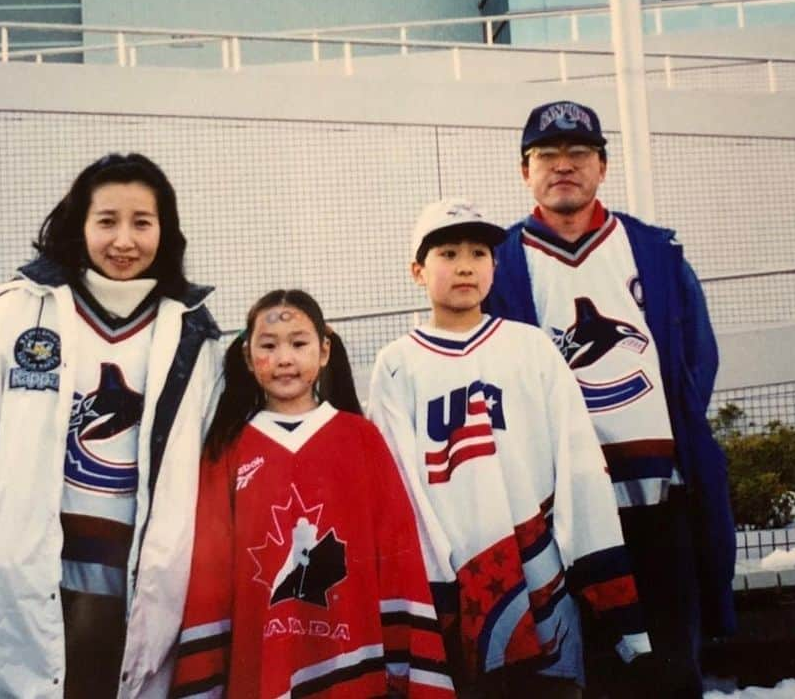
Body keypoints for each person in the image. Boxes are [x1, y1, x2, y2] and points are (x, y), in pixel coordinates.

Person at [0, 152, 225, 699]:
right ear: (78, 224)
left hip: (136, 589)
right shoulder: (16, 314)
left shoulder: (193, 335)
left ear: (166, 231)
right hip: (23, 586)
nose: (124, 240)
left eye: (142, 222)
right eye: (107, 220)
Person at [483, 100, 736, 698]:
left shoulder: (654, 252)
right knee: (583, 675)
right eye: (546, 155)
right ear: (525, 172)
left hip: (659, 501)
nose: (562, 166)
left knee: (672, 669)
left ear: (603, 165)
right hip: (562, 514)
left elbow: (696, 359)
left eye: (578, 154)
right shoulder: (501, 264)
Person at [369, 200, 649, 699]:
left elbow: (578, 463)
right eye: (447, 252)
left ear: (495, 267)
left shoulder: (531, 347)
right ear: (417, 270)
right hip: (450, 580)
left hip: (538, 567)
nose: (464, 265)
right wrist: (434, 579)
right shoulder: (397, 364)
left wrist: (595, 571)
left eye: (479, 252)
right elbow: (396, 489)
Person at [171, 289, 454, 699]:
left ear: (324, 351)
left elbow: (397, 547)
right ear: (248, 357)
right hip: (261, 645)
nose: (285, 358)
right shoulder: (227, 448)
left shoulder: (361, 437)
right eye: (269, 346)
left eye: (299, 343)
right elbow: (209, 569)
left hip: (351, 638)